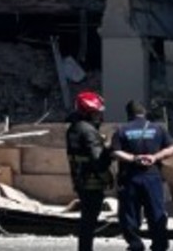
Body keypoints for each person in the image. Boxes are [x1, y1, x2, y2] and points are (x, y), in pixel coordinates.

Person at [110, 101, 173, 251]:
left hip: (130, 178)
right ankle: (159, 245)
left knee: (129, 214)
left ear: (128, 114)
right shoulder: (158, 129)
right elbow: (172, 149)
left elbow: (115, 152)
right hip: (153, 177)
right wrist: (154, 157)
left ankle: (135, 244)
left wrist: (134, 158)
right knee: (156, 212)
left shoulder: (121, 130)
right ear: (144, 112)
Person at [65, 91, 112, 251]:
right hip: (92, 181)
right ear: (88, 113)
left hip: (80, 179)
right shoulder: (88, 131)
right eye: (96, 113)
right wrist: (107, 174)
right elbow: (97, 159)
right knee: (89, 220)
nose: (99, 116)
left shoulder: (74, 128)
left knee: (87, 219)